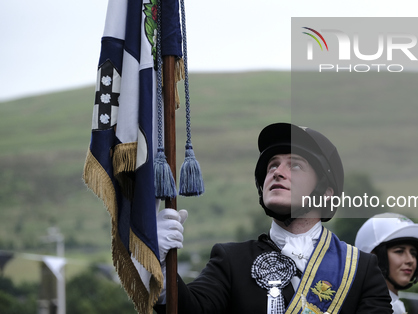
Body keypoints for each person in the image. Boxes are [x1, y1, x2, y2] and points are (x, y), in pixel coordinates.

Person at [155, 122, 392, 313]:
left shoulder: (361, 268)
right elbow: (189, 310)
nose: (277, 172)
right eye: (272, 166)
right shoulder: (231, 261)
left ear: (326, 193)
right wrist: (161, 265)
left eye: (295, 166)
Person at [354, 213, 418, 314]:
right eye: (399, 251)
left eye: (413, 253)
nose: (410, 260)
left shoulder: (396, 305)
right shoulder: (368, 308)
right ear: (373, 257)